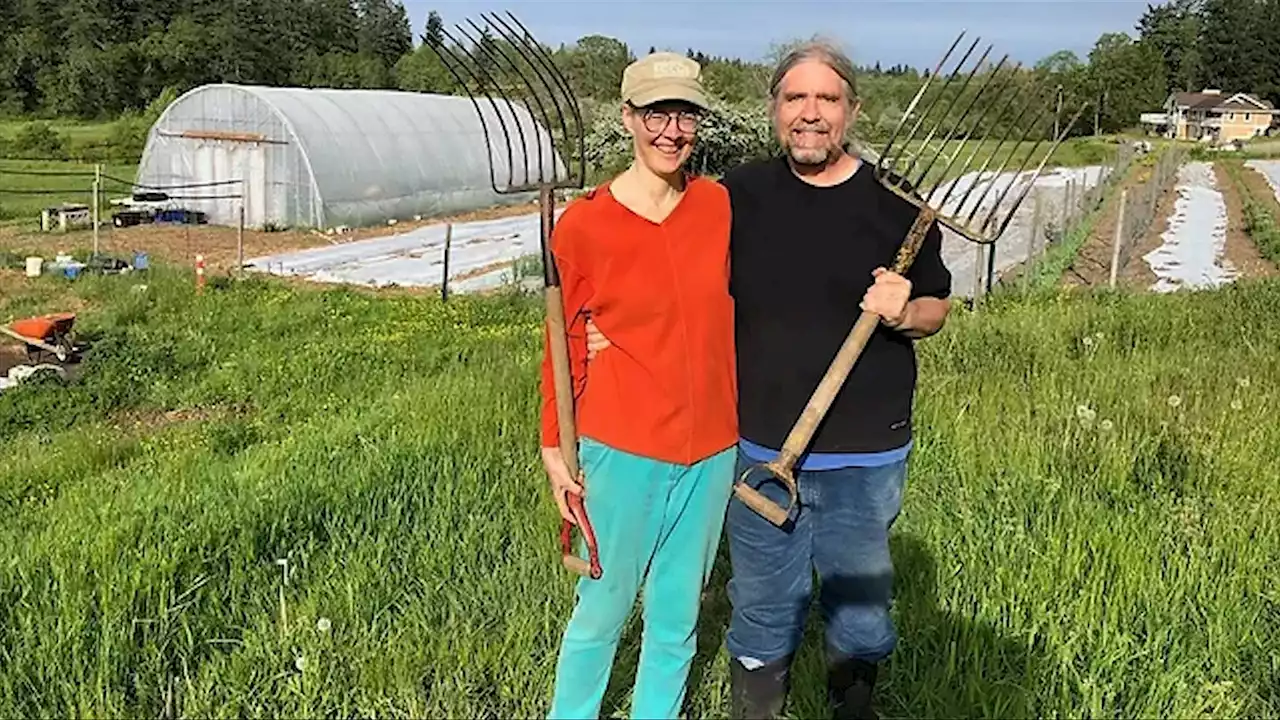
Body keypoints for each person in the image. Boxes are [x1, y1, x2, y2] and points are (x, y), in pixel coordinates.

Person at [585, 40, 953, 719]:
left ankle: (853, 705)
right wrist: (606, 321)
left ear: (852, 110)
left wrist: (906, 311)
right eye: (795, 98)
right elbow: (669, 263)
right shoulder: (738, 196)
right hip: (758, 448)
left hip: (866, 454)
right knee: (762, 606)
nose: (810, 114)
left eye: (827, 99)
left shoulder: (899, 203)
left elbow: (937, 306)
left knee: (860, 609)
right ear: (773, 109)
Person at [539, 51, 739, 720]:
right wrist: (552, 448)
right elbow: (562, 343)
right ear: (628, 118)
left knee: (678, 618)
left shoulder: (718, 207)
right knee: (602, 612)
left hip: (712, 450)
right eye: (656, 112)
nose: (671, 130)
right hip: (621, 448)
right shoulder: (586, 223)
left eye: (684, 114)